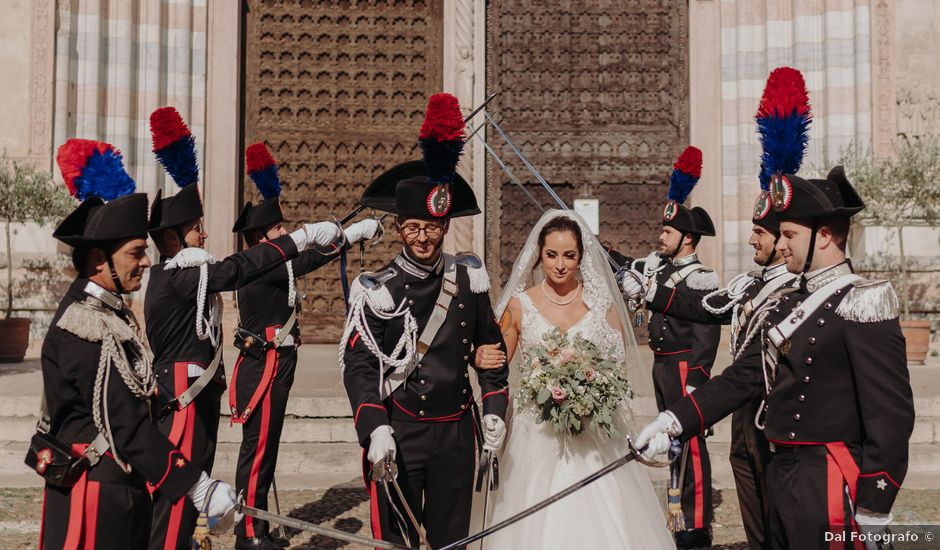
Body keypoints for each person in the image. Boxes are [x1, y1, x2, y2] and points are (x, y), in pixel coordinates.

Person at [637, 167, 916, 549]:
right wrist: (673, 422)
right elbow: (743, 377)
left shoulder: (862, 302)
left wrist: (874, 506)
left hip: (830, 480)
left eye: (789, 234)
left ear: (826, 235)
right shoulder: (787, 303)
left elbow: (891, 415)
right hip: (781, 471)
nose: (781, 245)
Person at [621, 67, 807, 550]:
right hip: (745, 411)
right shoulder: (750, 282)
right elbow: (714, 307)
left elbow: (703, 309)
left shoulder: (802, 289)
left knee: (781, 518)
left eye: (766, 234)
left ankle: (696, 524)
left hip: (779, 414)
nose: (752, 240)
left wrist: (656, 297)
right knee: (755, 515)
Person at [144, 107, 343, 550]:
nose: (206, 236)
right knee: (174, 494)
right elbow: (242, 267)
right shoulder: (178, 275)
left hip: (198, 392)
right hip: (182, 395)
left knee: (192, 484)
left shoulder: (184, 272)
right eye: (198, 229)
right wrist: (300, 238)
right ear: (175, 238)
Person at [32, 139, 237, 549]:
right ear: (97, 261)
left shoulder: (108, 313)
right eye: (136, 253)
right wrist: (194, 483)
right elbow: (123, 423)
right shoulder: (83, 324)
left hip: (118, 487)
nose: (146, 262)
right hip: (91, 496)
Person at [340, 93, 510, 548]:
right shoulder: (376, 290)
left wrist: (494, 409)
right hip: (399, 430)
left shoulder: (468, 277)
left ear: (445, 226)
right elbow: (358, 368)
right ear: (399, 229)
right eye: (413, 228)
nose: (423, 237)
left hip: (455, 434)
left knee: (452, 540)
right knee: (399, 540)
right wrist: (374, 427)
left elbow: (492, 351)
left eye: (432, 227)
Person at [477, 209, 675, 549]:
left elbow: (617, 367)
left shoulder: (602, 304)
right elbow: (496, 365)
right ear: (539, 255)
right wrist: (480, 356)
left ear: (581, 257)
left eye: (569, 255)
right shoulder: (519, 305)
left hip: (592, 433)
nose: (559, 264)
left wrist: (591, 392)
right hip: (535, 433)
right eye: (551, 254)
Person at [229, 142, 380, 549]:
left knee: (266, 449)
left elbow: (304, 258)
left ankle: (257, 528)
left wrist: (344, 235)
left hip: (274, 367)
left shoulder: (272, 263)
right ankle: (248, 535)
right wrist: (350, 235)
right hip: (263, 368)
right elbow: (308, 259)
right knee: (257, 453)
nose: (286, 234)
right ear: (261, 238)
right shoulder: (262, 266)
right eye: (279, 230)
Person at [617, 146, 720, 549]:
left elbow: (707, 337)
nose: (660, 236)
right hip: (661, 367)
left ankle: (695, 526)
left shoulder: (702, 278)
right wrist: (595, 245)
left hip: (683, 368)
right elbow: (625, 264)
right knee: (668, 440)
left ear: (687, 239)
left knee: (691, 444)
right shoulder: (656, 268)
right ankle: (675, 511)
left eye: (667, 232)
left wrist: (698, 381)